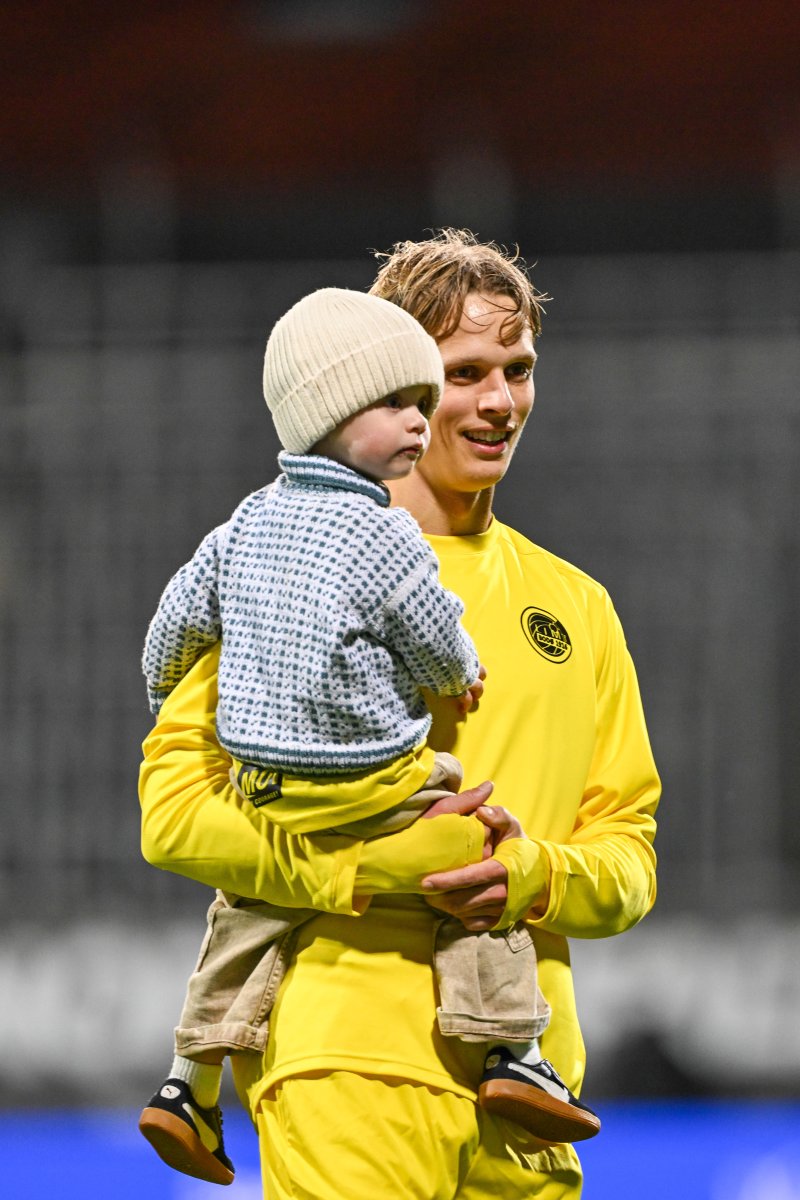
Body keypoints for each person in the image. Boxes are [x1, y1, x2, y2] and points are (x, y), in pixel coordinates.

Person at [139, 229, 660, 1199]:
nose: (499, 401)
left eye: (517, 369)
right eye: (463, 373)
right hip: (348, 1059)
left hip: (527, 1095)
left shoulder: (576, 606)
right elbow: (171, 816)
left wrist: (528, 873)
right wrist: (353, 871)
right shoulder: (277, 568)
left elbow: (627, 861)